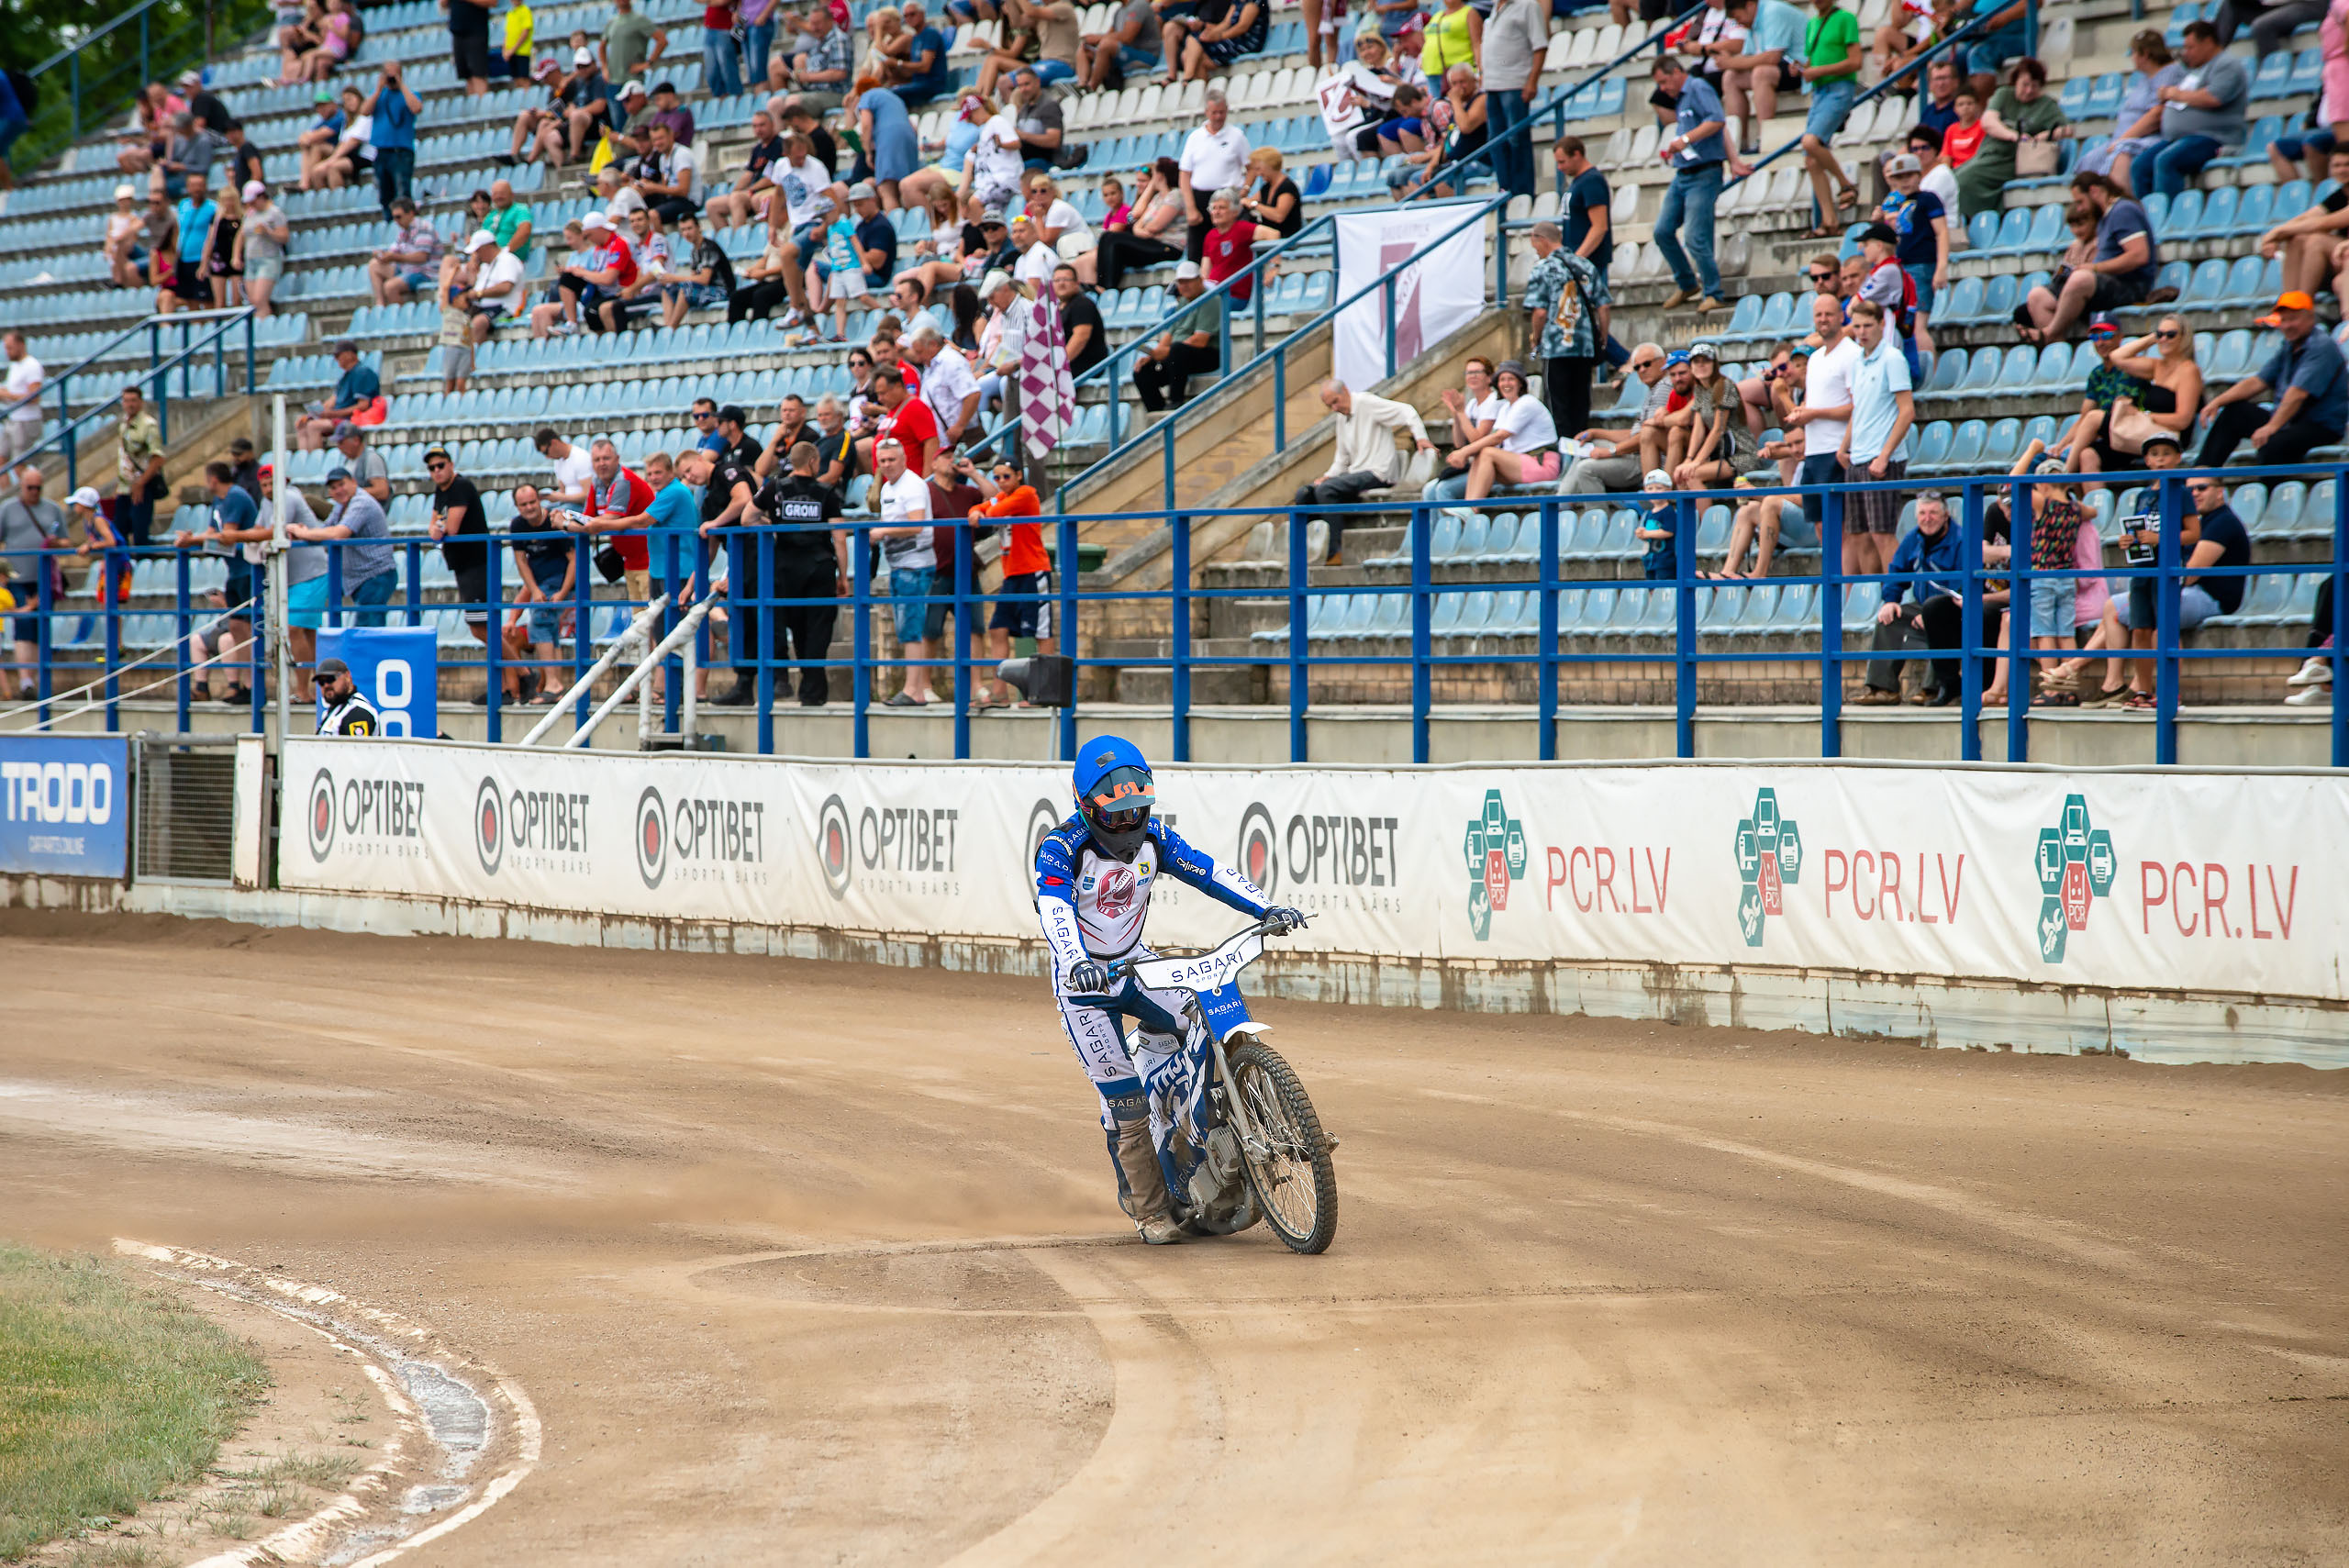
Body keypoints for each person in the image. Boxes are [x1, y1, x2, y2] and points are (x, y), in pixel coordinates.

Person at [1032, 736, 1304, 1246]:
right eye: (1115, 817)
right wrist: (1076, 963)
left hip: (1138, 966)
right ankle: (1150, 1209)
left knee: (1203, 1020)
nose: (1128, 826)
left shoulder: (1154, 839)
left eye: (1137, 812)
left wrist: (1264, 907)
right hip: (1084, 988)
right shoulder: (1060, 849)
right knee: (1126, 1105)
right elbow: (1054, 910)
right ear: (1085, 807)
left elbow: (1208, 870)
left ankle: (1210, 1131)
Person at [2110, 473, 2253, 711]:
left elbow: (2191, 573)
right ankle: (2118, 684)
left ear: (2220, 491)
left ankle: (2158, 691)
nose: (2195, 493)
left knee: (2149, 617)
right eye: (2192, 489)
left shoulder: (2222, 521)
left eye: (2202, 487)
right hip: (2183, 588)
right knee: (2124, 612)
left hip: (2209, 596)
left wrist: (2159, 541)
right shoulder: (2199, 518)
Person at [732, 439, 848, 706]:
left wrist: (772, 522)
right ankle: (812, 693)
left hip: (785, 567)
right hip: (819, 566)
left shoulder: (774, 486)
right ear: (813, 462)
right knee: (819, 631)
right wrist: (843, 576)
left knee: (797, 629)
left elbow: (747, 518)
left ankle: (802, 687)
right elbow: (839, 538)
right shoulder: (826, 491)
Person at [2199, 291, 2349, 466]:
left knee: (2272, 443)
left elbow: (2298, 394)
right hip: (2291, 422)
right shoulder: (2289, 346)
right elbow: (2258, 381)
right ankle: (2201, 474)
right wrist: (2218, 402)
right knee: (2235, 414)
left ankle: (2273, 492)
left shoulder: (2321, 347)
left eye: (2293, 319)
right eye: (2283, 320)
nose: (2286, 326)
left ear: (2310, 318)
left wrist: (2271, 427)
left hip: (2320, 426)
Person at [1291, 380, 1433, 563]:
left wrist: (1420, 437)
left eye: (1335, 402)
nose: (1334, 408)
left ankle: (1336, 551)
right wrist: (1328, 476)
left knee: (1325, 490)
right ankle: (1310, 549)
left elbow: (1407, 411)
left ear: (1345, 391)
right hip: (1355, 474)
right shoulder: (1342, 417)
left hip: (1379, 473)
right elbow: (1342, 458)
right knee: (1304, 494)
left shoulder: (1367, 403)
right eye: (1329, 406)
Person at [1855, 491, 1968, 704]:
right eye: (1923, 513)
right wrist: (1890, 600)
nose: (1927, 518)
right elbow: (1897, 571)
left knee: (1939, 622)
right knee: (1889, 619)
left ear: (1946, 516)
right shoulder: (1913, 539)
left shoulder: (1961, 541)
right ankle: (1884, 689)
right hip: (1921, 606)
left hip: (1952, 609)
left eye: (1934, 513)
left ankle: (1933, 689)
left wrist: (1931, 614)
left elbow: (1961, 587)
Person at [2019, 172, 2156, 345]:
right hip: (2102, 284)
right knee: (2037, 296)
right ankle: (2057, 352)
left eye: (2080, 201)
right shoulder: (2104, 218)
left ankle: (2048, 333)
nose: (2080, 208)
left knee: (2080, 279)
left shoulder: (2123, 210)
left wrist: (2094, 268)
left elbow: (2139, 256)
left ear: (2094, 191)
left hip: (2131, 285)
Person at [1837, 298, 1914, 578]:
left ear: (1882, 325)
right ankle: (1872, 595)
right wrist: (1844, 446)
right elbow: (1860, 407)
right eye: (1856, 326)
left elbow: (1907, 411)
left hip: (1882, 458)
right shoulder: (1857, 360)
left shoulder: (1892, 358)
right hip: (1858, 458)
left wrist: (1884, 455)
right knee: (1859, 534)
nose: (1861, 331)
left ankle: (1892, 597)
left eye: (1868, 325)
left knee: (1882, 532)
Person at [1648, 56, 1730, 314]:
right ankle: (1687, 283)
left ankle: (1713, 292)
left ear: (1676, 72)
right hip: (1683, 173)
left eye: (1663, 81)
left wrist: (1684, 139)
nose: (1662, 88)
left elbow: (1717, 119)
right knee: (1662, 231)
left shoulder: (1698, 88)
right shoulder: (1682, 97)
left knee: (1696, 236)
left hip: (1704, 173)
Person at [968, 457, 1052, 706]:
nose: (1001, 482)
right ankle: (1000, 692)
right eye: (997, 477)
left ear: (1018, 476)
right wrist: (978, 511)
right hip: (1012, 575)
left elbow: (993, 511)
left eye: (1006, 476)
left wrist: (983, 511)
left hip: (1033, 571)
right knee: (997, 628)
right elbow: (978, 509)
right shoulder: (1004, 497)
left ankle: (1042, 691)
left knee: (1041, 632)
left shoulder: (1026, 494)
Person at [2139, 22, 2247, 200]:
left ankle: (2168, 219)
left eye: (2191, 47)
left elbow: (2214, 97)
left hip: (2213, 137)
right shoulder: (2196, 70)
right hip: (2182, 138)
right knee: (2140, 166)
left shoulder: (2227, 65)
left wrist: (2176, 94)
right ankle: (2148, 217)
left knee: (2166, 161)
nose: (2186, 52)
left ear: (2208, 42)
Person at [1523, 221, 1610, 439]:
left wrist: (1537, 338)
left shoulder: (1543, 268)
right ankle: (1580, 452)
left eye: (1534, 243)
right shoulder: (1585, 265)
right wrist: (1602, 336)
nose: (1535, 249)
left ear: (1540, 239)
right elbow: (1603, 305)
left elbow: (1540, 312)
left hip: (1556, 346)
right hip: (1584, 346)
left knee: (1558, 408)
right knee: (1581, 405)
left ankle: (1563, 458)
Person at [1953, 56, 2067, 220]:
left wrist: (2045, 135)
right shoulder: (2004, 94)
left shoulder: (2046, 105)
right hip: (1990, 153)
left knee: (1965, 180)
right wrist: (2014, 135)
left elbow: (2066, 129)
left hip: (2014, 159)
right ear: (2016, 81)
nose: (2029, 91)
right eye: (2025, 85)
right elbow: (1988, 121)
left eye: (2034, 86)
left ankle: (1971, 220)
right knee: (1953, 176)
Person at [872, 438, 941, 704]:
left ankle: (914, 690)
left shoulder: (911, 484)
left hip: (915, 565)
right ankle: (916, 689)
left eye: (892, 459)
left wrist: (883, 531)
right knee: (908, 628)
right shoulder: (889, 486)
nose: (887, 465)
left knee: (911, 628)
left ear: (903, 459)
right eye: (883, 460)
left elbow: (917, 525)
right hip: (901, 565)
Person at [1789, 293, 1860, 548]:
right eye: (1819, 315)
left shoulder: (1852, 353)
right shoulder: (1816, 358)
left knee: (1841, 525)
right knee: (1819, 523)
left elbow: (1857, 406)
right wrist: (1801, 412)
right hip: (1814, 451)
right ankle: (1831, 580)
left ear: (1842, 317)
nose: (1823, 319)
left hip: (1838, 449)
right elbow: (1815, 403)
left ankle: (1846, 584)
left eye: (1829, 314)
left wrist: (1815, 414)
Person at [1559, 344, 1672, 495]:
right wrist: (1596, 432)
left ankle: (1588, 513)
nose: (1642, 370)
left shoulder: (1664, 386)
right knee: (1589, 443)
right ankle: (1561, 499)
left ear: (1663, 361)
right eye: (1637, 367)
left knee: (1586, 469)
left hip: (1647, 460)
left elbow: (1645, 437)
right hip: (1636, 453)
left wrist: (1610, 452)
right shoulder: (1653, 389)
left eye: (1647, 364)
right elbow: (1635, 434)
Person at [291, 466, 398, 624]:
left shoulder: (361, 502)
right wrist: (304, 533)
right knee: (364, 629)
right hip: (362, 576)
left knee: (368, 630)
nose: (338, 490)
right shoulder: (343, 505)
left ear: (354, 482)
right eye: (333, 488)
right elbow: (326, 530)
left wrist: (303, 533)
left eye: (341, 484)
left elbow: (339, 533)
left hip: (375, 574)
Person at [2080, 30, 2182, 195]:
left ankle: (2120, 208)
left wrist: (2123, 139)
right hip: (2124, 138)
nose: (2132, 57)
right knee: (2090, 160)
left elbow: (2156, 115)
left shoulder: (2169, 72)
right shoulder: (2143, 79)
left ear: (2146, 54)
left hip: (2147, 139)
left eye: (2134, 53)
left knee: (2122, 154)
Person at [503, 484, 576, 702]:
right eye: (523, 504)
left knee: (540, 625)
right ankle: (557, 687)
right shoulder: (517, 525)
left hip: (561, 581)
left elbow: (574, 560)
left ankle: (553, 685)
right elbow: (520, 561)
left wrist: (563, 592)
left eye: (533, 502)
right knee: (550, 630)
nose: (529, 507)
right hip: (541, 583)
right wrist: (534, 590)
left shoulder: (554, 522)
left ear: (539, 501)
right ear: (517, 507)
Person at [1796, 0, 1862, 236]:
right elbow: (1812, 61)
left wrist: (1817, 72)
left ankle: (1846, 184)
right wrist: (1802, 69)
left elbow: (1855, 62)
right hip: (1820, 92)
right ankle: (1829, 221)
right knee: (1811, 159)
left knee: (1810, 142)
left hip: (1839, 89)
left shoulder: (1845, 18)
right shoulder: (1813, 23)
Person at [1876, 153, 1946, 365]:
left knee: (1918, 326)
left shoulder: (1928, 199)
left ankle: (1930, 373)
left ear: (1919, 175)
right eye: (1898, 177)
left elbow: (1942, 232)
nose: (1903, 182)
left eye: (1909, 176)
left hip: (1922, 265)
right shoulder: (1895, 204)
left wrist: (1941, 267)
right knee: (1904, 326)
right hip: (1902, 268)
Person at [1718, 0, 1807, 151]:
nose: (1740, 23)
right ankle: (1738, 143)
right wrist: (1727, 60)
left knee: (1761, 73)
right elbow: (1748, 57)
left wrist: (1731, 62)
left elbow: (1772, 57)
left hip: (1802, 68)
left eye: (1739, 18)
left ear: (1750, 5)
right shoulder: (1753, 21)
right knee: (1730, 77)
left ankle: (1764, 138)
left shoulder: (1773, 11)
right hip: (1781, 69)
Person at [1133, 261, 1223, 410]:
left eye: (1188, 281)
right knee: (1143, 370)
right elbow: (1170, 334)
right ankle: (1157, 412)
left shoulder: (1211, 300)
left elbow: (1200, 341)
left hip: (1208, 355)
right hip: (1180, 357)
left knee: (1177, 350)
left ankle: (1176, 401)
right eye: (1181, 282)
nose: (1184, 286)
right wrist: (1154, 355)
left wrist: (1166, 352)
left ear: (1199, 280)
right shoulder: (1183, 302)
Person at [0, 467, 59, 695]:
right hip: (18, 576)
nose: (34, 492)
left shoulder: (53, 509)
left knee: (41, 628)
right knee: (23, 626)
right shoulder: (7, 509)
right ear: (21, 486)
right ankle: (26, 682)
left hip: (45, 577)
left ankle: (36, 681)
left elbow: (66, 541)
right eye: (30, 487)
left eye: (38, 488)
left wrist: (57, 544)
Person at [2261, 147, 2349, 297]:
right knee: (2298, 238)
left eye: (2347, 165)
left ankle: (2303, 304)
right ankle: (2289, 301)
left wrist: (2277, 232)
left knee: (2316, 241)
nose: (2342, 170)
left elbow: (2326, 222)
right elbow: (2309, 217)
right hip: (2341, 256)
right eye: (2336, 165)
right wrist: (2275, 235)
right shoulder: (2340, 194)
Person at [1177, 89, 1250, 262]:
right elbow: (1185, 175)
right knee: (1197, 251)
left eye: (1222, 112)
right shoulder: (1195, 137)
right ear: (1206, 112)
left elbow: (1252, 167)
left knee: (1228, 247)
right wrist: (1190, 208)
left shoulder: (1236, 136)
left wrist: (1244, 190)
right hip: (1201, 198)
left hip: (1228, 195)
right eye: (1214, 113)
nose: (1218, 117)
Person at [362, 60, 421, 220]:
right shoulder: (379, 95)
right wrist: (379, 89)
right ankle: (389, 221)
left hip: (401, 152)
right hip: (381, 152)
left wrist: (401, 85)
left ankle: (408, 221)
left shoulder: (409, 94)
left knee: (402, 192)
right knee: (384, 193)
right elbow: (364, 111)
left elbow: (416, 108)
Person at [366, 195, 442, 306]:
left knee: (390, 286)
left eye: (398, 217)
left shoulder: (423, 228)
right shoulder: (404, 231)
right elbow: (393, 251)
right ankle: (380, 306)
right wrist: (382, 255)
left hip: (425, 272)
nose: (396, 221)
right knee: (374, 265)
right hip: (407, 269)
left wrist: (394, 257)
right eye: (394, 218)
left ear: (410, 213)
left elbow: (422, 257)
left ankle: (402, 318)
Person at [115, 386, 168, 544]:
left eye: (133, 400)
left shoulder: (148, 425)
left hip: (142, 486)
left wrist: (141, 483)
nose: (130, 404)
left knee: (140, 531)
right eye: (126, 400)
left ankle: (143, 562)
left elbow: (157, 458)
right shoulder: (123, 425)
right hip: (124, 487)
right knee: (119, 530)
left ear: (141, 402)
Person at [601, 0, 670, 85]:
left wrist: (648, 63)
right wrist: (604, 68)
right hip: (613, 80)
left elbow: (662, 40)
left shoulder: (640, 20)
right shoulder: (611, 22)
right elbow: (602, 46)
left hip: (633, 79)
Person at [1, 333, 42, 472]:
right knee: (2, 458)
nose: (7, 352)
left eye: (10, 348)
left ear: (21, 345)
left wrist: (8, 395)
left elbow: (34, 396)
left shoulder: (32, 366)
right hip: (13, 419)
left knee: (19, 463)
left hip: (26, 421)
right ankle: (8, 492)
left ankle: (28, 489)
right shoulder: (14, 366)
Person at [1635, 469, 1684, 579]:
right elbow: (1650, 533)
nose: (1654, 492)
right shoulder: (1649, 513)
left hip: (1665, 560)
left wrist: (1647, 534)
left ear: (1668, 490)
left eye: (1659, 488)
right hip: (1650, 558)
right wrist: (1642, 534)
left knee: (1663, 587)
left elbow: (1668, 532)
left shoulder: (1668, 511)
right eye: (1650, 488)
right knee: (1652, 588)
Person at [313, 658, 381, 735]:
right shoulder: (335, 710)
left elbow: (356, 747)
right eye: (321, 682)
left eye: (330, 679)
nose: (326, 685)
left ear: (347, 676)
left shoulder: (357, 712)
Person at [333, 422, 394, 506]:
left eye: (341, 442)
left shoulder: (371, 458)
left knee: (312, 502)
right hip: (351, 510)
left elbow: (383, 491)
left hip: (367, 513)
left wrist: (353, 492)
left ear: (356, 440)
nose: (339, 447)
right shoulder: (347, 460)